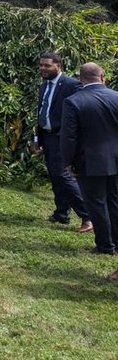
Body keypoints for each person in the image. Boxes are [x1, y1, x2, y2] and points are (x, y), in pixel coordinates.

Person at [60, 62, 118, 268]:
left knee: (96, 203)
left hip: (90, 161)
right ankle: (116, 243)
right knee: (114, 202)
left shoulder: (74, 101)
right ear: (102, 77)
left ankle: (104, 244)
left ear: (79, 78)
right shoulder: (116, 96)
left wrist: (67, 162)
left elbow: (68, 137)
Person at [32, 53, 90, 233]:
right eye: (41, 65)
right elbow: (41, 113)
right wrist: (37, 139)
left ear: (58, 66)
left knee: (63, 176)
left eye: (47, 66)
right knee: (55, 176)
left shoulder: (72, 85)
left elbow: (82, 111)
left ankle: (87, 216)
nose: (43, 69)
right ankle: (61, 213)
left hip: (62, 137)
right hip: (47, 137)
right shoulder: (44, 86)